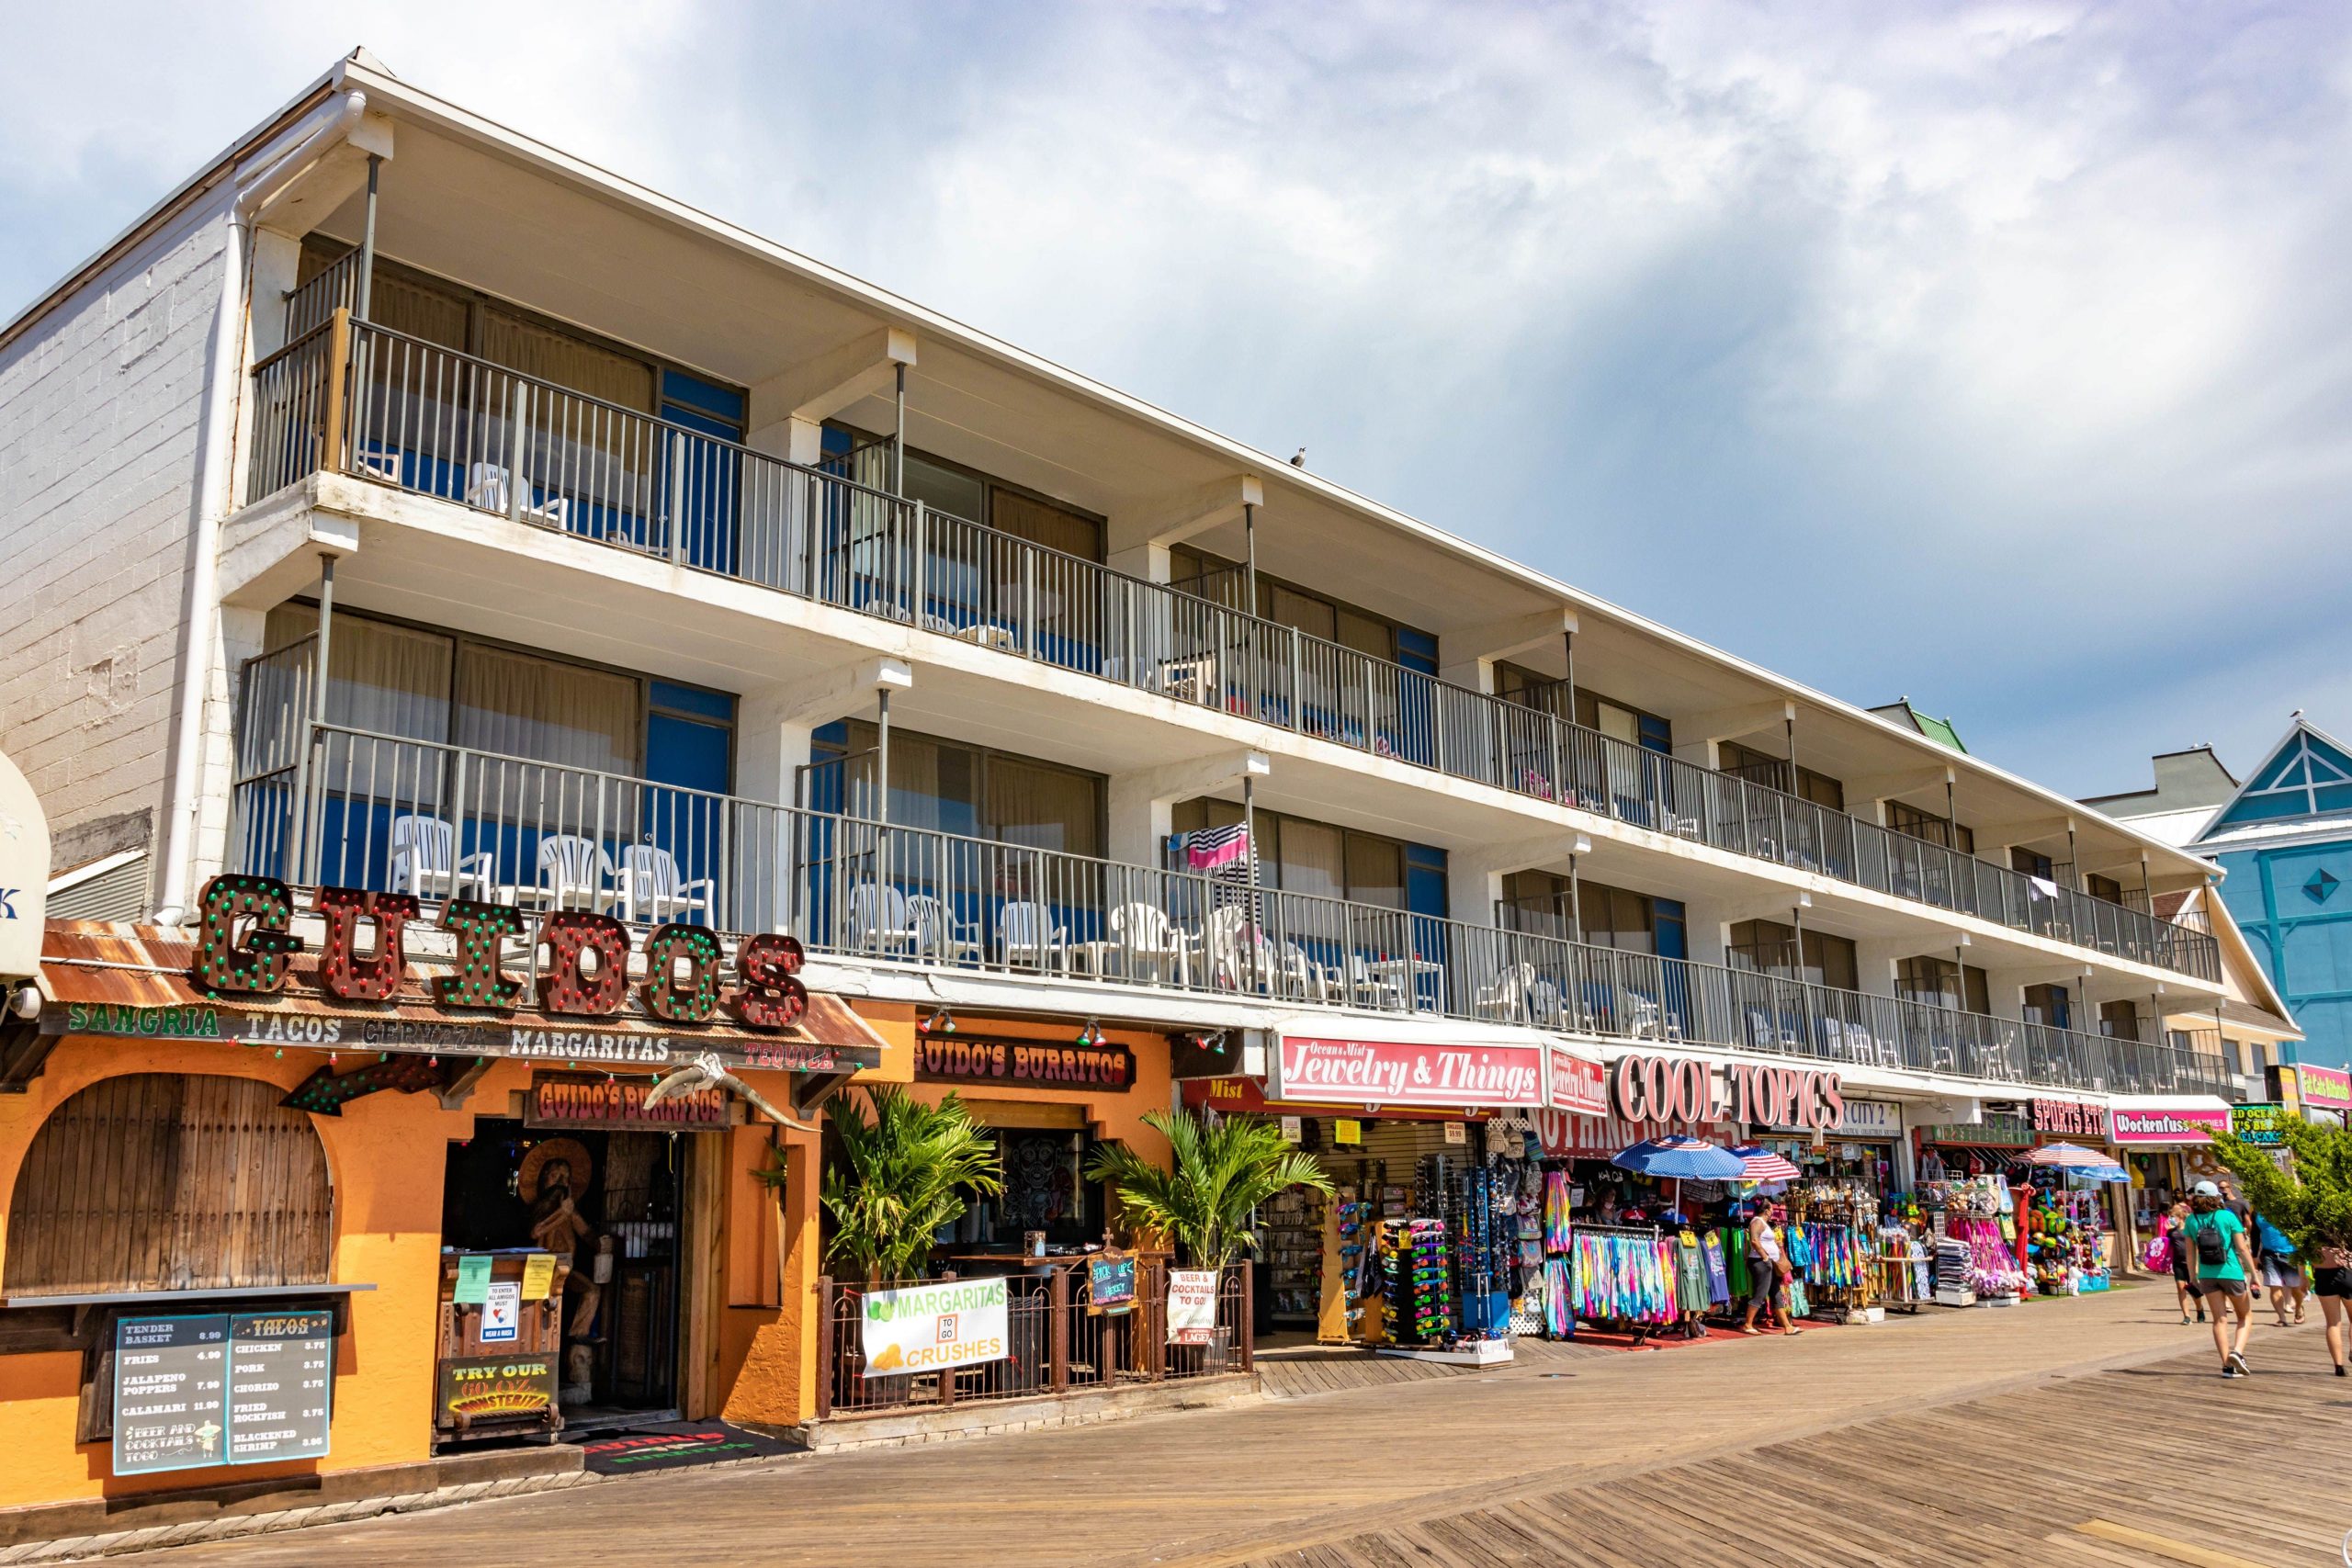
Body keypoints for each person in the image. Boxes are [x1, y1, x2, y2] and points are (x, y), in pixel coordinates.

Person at [2178, 1179, 2258, 1377]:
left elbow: (2190, 1253)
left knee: (2219, 1320)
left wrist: (2193, 1277)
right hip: (2231, 1271)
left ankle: (2226, 1366)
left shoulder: (2191, 1220)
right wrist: (2254, 1274)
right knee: (2245, 1316)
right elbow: (2241, 1248)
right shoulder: (2227, 1216)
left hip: (2207, 1274)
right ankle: (2237, 1352)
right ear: (2217, 1197)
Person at [1740, 1204, 1799, 1337]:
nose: (1773, 1213)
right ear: (1766, 1211)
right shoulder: (1757, 1221)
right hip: (1761, 1262)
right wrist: (1765, 1257)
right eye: (1772, 1210)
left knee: (1776, 1293)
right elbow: (1754, 1240)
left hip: (1769, 1263)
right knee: (1761, 1293)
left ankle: (1787, 1326)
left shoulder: (1765, 1224)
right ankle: (1748, 1324)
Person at [2251, 1209, 2305, 1328]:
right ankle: (2282, 1317)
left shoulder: (2288, 1207)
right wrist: (2254, 1255)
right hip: (2269, 1254)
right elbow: (2254, 1234)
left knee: (2296, 1288)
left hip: (2291, 1254)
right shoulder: (2257, 1212)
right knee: (2274, 1286)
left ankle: (2299, 1307)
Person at [2312, 1237, 2350, 1378]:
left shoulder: (2307, 1229)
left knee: (2333, 1323)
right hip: (2347, 1271)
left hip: (2322, 1274)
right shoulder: (2344, 1223)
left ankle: (2338, 1366)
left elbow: (2302, 1257)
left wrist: (2303, 1278)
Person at [2161, 1200, 2203, 1325]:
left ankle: (2199, 1309)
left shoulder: (2190, 1229)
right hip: (2177, 1262)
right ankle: (2186, 1316)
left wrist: (2195, 1265)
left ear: (2180, 1217)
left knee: (2193, 1289)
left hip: (2190, 1262)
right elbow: (2166, 1246)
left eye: (2172, 1217)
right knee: (2181, 1288)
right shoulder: (2171, 1232)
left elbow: (2196, 1246)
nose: (2170, 1219)